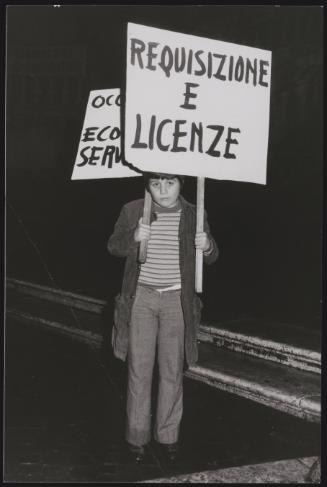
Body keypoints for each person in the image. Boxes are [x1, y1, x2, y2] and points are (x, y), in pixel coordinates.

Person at [107, 172, 218, 463]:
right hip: (141, 298)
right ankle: (136, 438)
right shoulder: (133, 210)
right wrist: (134, 238)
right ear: (147, 185)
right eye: (155, 184)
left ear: (182, 183)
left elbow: (212, 255)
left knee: (171, 370)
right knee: (139, 369)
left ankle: (168, 436)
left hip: (177, 299)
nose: (163, 190)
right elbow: (113, 246)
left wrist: (206, 245)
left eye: (170, 183)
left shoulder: (196, 212)